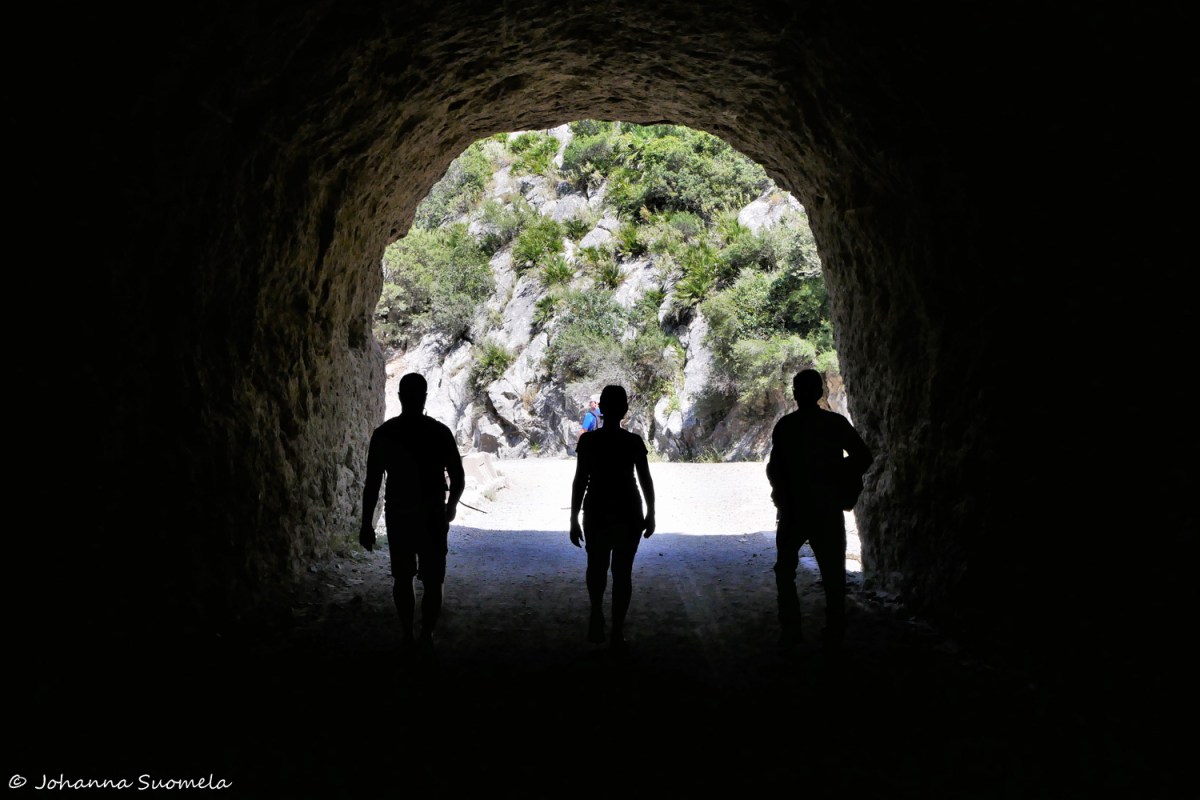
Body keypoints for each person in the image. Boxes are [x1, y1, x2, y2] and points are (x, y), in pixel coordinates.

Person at [766, 369, 872, 650]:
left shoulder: (786, 426)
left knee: (785, 571)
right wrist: (839, 478)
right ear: (821, 392)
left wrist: (780, 492)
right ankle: (835, 633)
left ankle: (791, 632)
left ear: (797, 393)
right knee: (833, 576)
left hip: (794, 510)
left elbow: (774, 467)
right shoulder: (834, 424)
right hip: (826, 509)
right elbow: (863, 456)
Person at [360, 372, 465, 653]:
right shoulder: (439, 432)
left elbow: (373, 483)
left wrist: (366, 524)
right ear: (425, 397)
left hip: (400, 514)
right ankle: (426, 635)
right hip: (432, 514)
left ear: (400, 397)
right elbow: (458, 475)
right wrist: (450, 506)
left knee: (402, 577)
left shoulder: (384, 434)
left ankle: (407, 634)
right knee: (433, 579)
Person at [569, 385, 655, 651]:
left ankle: (596, 613)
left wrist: (573, 517)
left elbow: (580, 480)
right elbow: (644, 480)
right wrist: (651, 512)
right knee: (622, 573)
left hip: (596, 508)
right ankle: (617, 630)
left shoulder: (588, 442)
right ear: (625, 411)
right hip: (629, 510)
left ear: (601, 409)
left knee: (596, 566)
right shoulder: (633, 442)